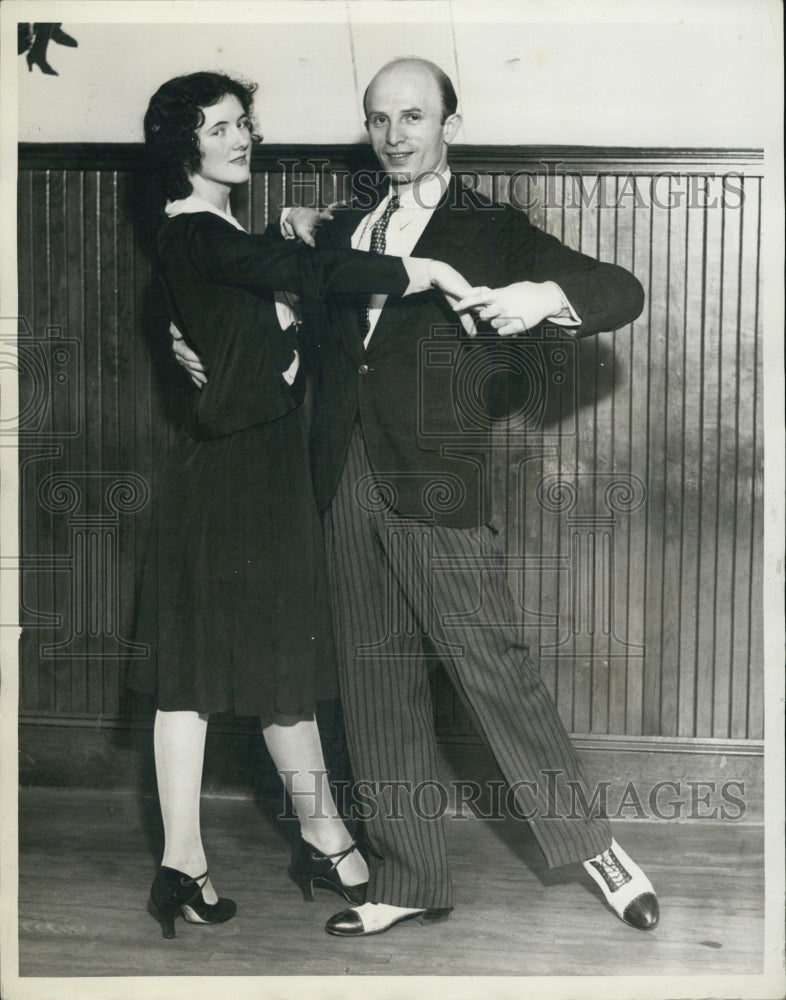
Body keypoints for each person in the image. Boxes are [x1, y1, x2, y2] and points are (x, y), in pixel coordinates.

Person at [173, 57, 659, 938]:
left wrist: (539, 296)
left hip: (436, 476)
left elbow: (619, 291)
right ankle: (407, 875)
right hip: (337, 474)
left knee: (492, 665)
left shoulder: (494, 228)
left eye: (413, 116)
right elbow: (278, 322)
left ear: (450, 126)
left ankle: (597, 848)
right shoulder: (344, 227)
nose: (394, 135)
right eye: (378, 119)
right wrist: (199, 345)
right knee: (372, 684)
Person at [131, 69, 472, 939]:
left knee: (273, 669)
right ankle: (191, 857)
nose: (241, 138)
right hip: (232, 475)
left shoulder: (215, 235)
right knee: (198, 680)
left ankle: (309, 841)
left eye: (245, 122)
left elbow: (280, 284)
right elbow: (294, 276)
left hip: (259, 472)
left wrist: (289, 263)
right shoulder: (196, 236)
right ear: (184, 146)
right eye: (218, 128)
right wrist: (415, 268)